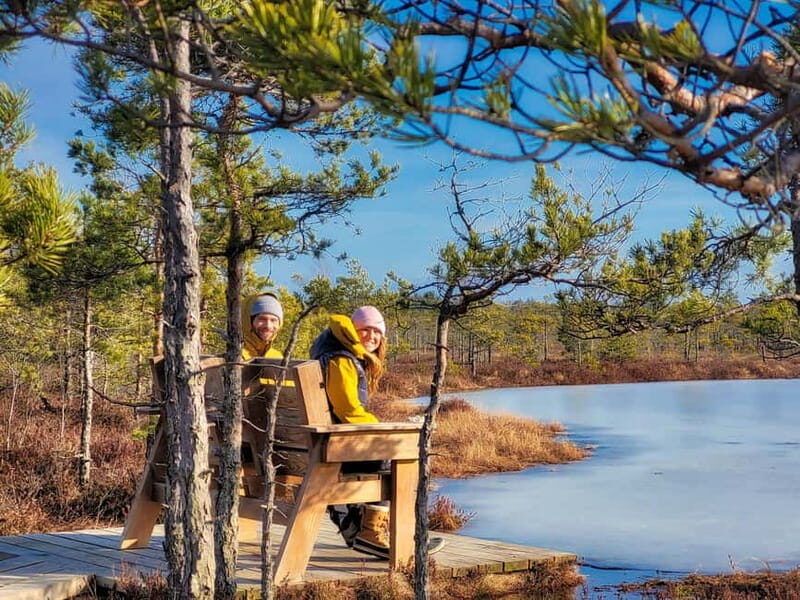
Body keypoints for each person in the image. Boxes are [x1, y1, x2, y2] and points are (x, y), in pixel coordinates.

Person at [310, 306, 444, 559]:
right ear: (352, 330)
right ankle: (374, 533)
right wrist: (381, 428)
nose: (371, 336)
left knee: (389, 451)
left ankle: (355, 527)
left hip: (322, 446)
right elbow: (348, 410)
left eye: (377, 332)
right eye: (365, 330)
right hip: (335, 449)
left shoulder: (334, 352)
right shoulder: (341, 360)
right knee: (395, 456)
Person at [242, 292, 284, 360]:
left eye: (273, 320)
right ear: (248, 321)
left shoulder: (277, 357)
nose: (268, 326)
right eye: (262, 319)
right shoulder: (234, 355)